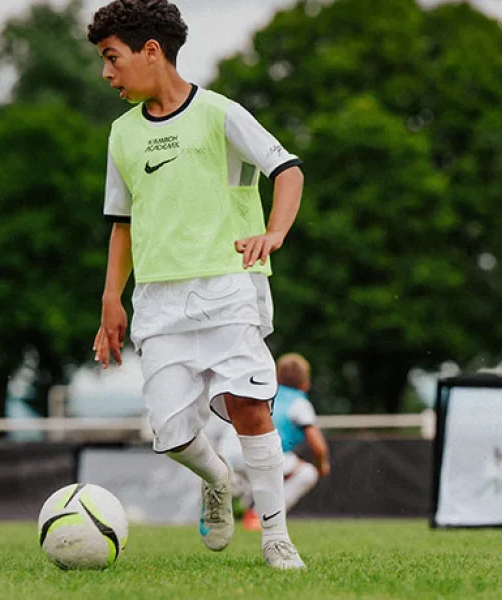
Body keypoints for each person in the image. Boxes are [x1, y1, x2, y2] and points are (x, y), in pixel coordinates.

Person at [87, 0, 307, 569]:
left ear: (151, 51)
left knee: (251, 406)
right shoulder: (121, 135)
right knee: (170, 432)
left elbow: (288, 170)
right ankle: (216, 478)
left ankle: (277, 537)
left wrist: (275, 233)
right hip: (158, 302)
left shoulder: (219, 113)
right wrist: (112, 299)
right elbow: (122, 223)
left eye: (113, 58)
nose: (107, 73)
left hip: (230, 286)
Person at [240, 353, 330, 532]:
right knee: (307, 472)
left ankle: (237, 497)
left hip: (232, 452)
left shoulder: (262, 393)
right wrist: (322, 466)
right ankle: (259, 515)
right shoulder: (299, 402)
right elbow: (318, 447)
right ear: (306, 384)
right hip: (263, 455)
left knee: (263, 473)